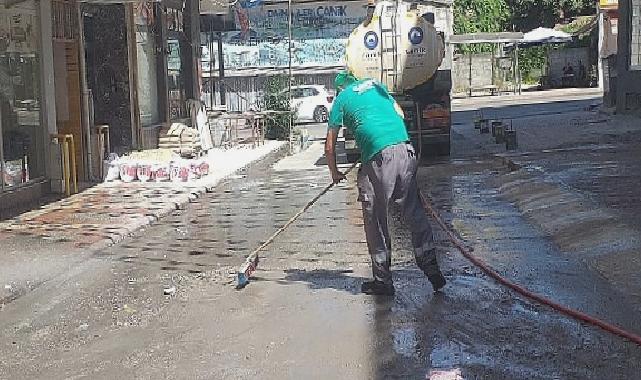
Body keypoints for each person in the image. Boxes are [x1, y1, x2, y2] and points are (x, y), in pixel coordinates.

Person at [324, 71, 447, 296]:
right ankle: (432, 270)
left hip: (379, 156)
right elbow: (399, 113)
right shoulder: (375, 85)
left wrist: (334, 173)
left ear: (340, 88)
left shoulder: (342, 98)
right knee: (414, 211)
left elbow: (330, 145)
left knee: (374, 215)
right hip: (404, 148)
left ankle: (382, 280)